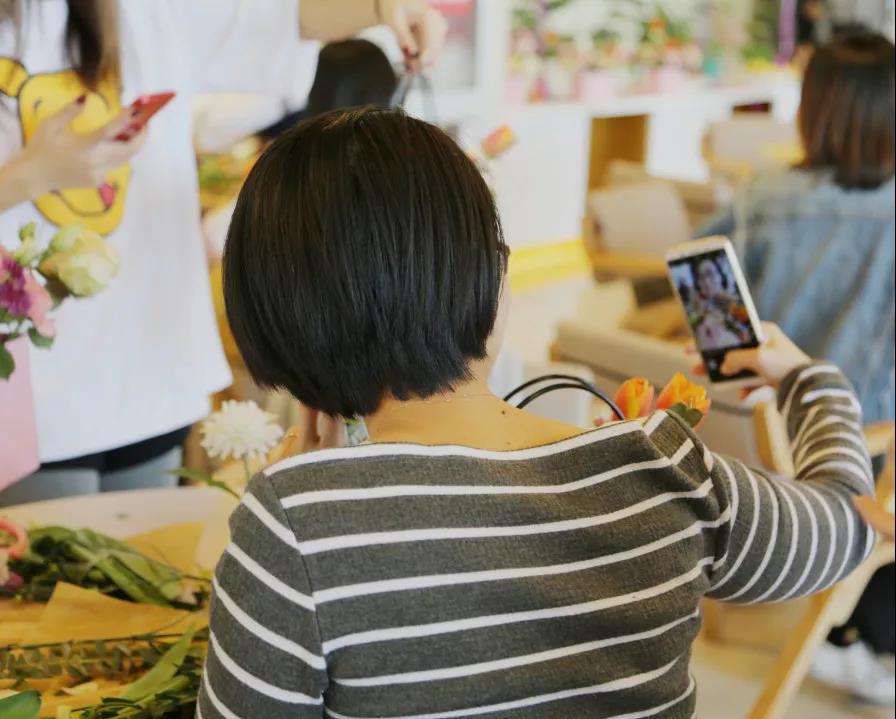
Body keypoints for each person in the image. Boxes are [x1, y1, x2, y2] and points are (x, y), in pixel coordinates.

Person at [197, 107, 876, 718]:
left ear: (272, 318)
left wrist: (308, 498)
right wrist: (811, 382)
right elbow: (847, 525)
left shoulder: (292, 522)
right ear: (493, 281)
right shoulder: (666, 468)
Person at [0, 0, 446, 505]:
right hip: (31, 388)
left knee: (150, 572)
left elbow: (287, 19)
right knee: (48, 576)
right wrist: (32, 174)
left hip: (146, 369)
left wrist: (383, 7)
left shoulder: (144, 13)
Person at [698, 31, 895, 705]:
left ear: (814, 109)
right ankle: (868, 637)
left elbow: (703, 285)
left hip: (756, 449)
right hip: (858, 464)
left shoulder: (762, 197)